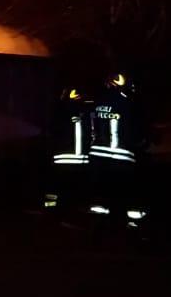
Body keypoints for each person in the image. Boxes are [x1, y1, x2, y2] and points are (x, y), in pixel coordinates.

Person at [86, 73, 149, 227]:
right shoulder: (129, 104)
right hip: (122, 156)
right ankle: (132, 222)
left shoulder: (97, 103)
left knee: (101, 192)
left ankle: (99, 223)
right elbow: (138, 129)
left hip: (97, 157)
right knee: (125, 190)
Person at [45, 87, 92, 212]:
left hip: (62, 160)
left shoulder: (58, 111)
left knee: (60, 189)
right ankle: (68, 211)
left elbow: (51, 133)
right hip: (79, 161)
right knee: (72, 190)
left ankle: (54, 211)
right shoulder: (85, 112)